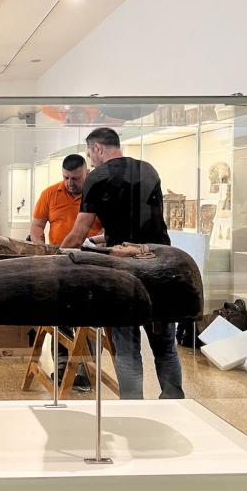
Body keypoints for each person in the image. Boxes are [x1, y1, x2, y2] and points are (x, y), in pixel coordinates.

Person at [60, 127, 183, 400]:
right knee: (165, 347)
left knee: (127, 349)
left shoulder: (97, 178)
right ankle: (174, 404)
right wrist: (105, 239)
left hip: (126, 271)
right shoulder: (148, 170)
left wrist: (56, 254)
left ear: (98, 148)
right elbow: (143, 226)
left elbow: (78, 234)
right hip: (159, 264)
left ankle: (133, 407)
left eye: (90, 154)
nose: (91, 161)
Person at [30, 154, 102, 392]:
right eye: (66, 177)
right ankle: (61, 366)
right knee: (60, 317)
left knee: (89, 320)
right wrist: (40, 248)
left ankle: (86, 372)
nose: (70, 183)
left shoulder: (97, 195)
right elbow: (37, 225)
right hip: (58, 265)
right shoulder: (50, 194)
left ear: (86, 173)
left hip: (90, 265)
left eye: (76, 178)